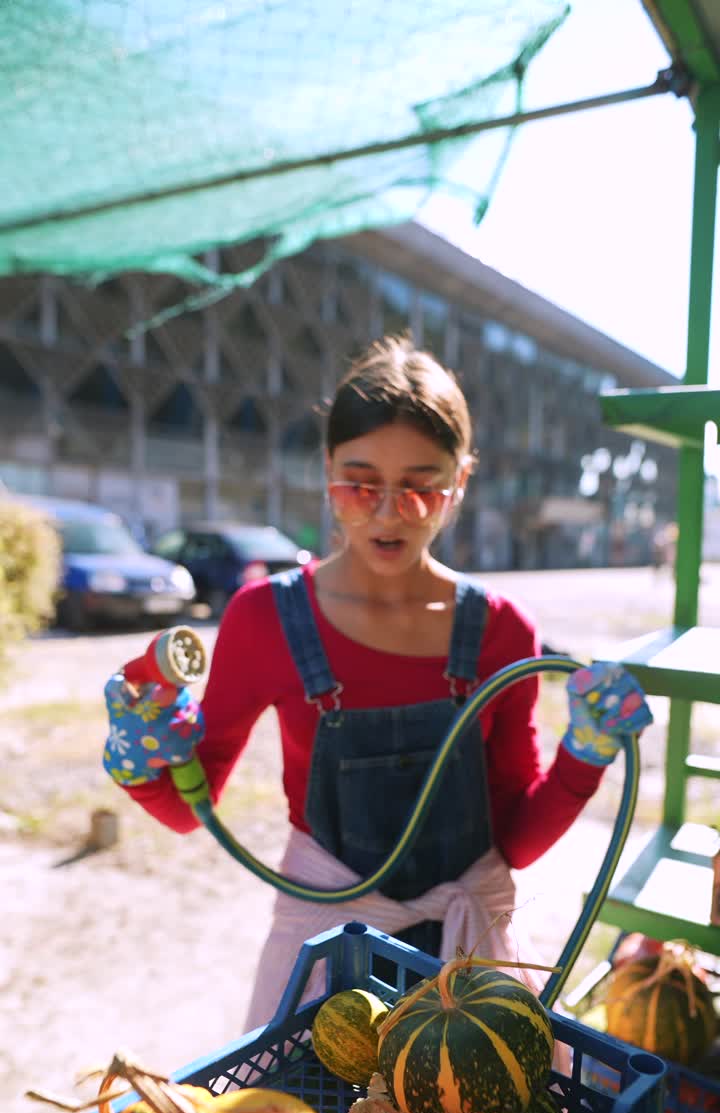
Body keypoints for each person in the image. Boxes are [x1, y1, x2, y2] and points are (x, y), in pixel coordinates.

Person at [102, 336, 652, 1029]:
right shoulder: (265, 618)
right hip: (326, 970)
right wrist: (142, 762)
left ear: (462, 481)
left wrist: (587, 753)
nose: (389, 513)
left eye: (422, 488)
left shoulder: (503, 630)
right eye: (360, 483)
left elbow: (513, 842)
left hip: (467, 971)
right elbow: (190, 808)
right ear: (327, 468)